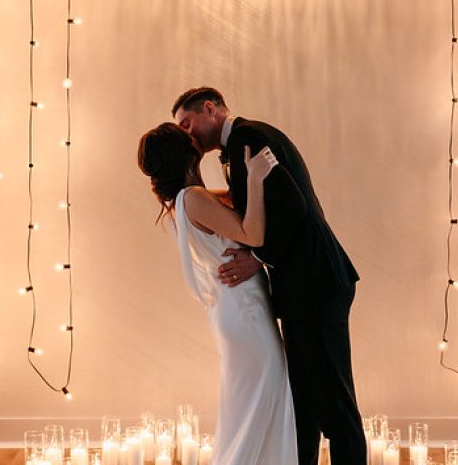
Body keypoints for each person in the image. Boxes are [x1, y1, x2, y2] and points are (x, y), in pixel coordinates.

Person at [172, 87, 366, 465]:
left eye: (187, 123)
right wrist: (190, 198)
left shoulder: (250, 137)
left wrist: (257, 256)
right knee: (304, 402)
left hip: (317, 284)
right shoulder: (243, 141)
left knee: (334, 405)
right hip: (301, 288)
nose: (186, 133)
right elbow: (257, 203)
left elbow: (295, 206)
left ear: (209, 109)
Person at [138, 122, 299, 465]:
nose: (192, 135)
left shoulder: (188, 199)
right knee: (262, 401)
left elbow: (233, 207)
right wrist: (254, 177)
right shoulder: (193, 199)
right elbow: (253, 235)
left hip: (238, 309)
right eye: (185, 135)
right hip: (244, 310)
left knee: (253, 406)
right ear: (185, 152)